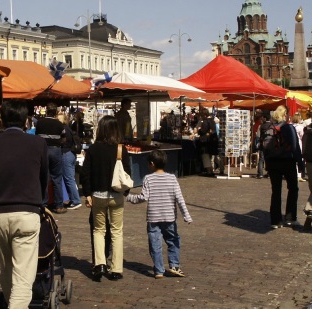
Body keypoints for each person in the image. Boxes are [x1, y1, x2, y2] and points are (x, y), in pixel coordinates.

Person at [0, 100, 48, 308]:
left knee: (7, 268)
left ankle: (12, 302)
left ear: (2, 121)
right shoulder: (37, 144)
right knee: (23, 275)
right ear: (26, 120)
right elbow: (44, 178)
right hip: (27, 211)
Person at [126, 150, 192, 279]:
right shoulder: (172, 178)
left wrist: (129, 197)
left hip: (153, 218)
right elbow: (179, 198)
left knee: (155, 244)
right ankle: (174, 265)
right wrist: (186, 215)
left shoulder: (148, 178)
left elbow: (143, 197)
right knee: (173, 240)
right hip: (169, 218)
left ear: (151, 164)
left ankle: (159, 270)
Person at [81, 115, 131, 282]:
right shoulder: (120, 149)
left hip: (98, 195)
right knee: (117, 232)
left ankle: (100, 263)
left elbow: (85, 173)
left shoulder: (93, 149)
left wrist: (87, 194)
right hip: (116, 195)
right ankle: (116, 268)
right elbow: (128, 173)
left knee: (99, 230)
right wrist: (125, 192)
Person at [264, 105, 303, 229]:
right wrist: (300, 164)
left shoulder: (268, 127)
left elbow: (262, 147)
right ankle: (290, 217)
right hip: (287, 161)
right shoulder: (288, 128)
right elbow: (295, 147)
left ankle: (275, 220)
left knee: (276, 191)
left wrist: (267, 162)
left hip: (272, 162)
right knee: (293, 188)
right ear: (285, 115)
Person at [36, 103, 67, 214]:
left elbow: (37, 136)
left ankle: (43, 204)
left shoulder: (40, 123)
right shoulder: (59, 124)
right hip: (55, 150)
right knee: (57, 178)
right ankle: (59, 205)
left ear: (47, 111)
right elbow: (64, 139)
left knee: (43, 177)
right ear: (55, 113)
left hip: (43, 150)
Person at [58, 113, 82, 210]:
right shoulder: (68, 128)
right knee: (70, 177)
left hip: (66, 153)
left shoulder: (63, 129)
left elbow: (63, 142)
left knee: (68, 178)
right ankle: (73, 199)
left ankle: (76, 200)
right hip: (71, 154)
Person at [194, 108, 216, 176]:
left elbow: (203, 131)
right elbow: (212, 130)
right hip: (211, 141)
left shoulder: (205, 121)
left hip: (205, 141)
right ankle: (210, 170)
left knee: (205, 156)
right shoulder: (212, 120)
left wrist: (199, 130)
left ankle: (209, 170)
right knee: (209, 156)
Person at [255, 110, 272, 179]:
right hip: (271, 145)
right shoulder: (272, 125)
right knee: (269, 159)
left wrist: (257, 143)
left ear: (264, 118)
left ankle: (260, 173)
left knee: (261, 159)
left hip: (263, 144)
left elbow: (258, 136)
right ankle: (269, 173)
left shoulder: (261, 126)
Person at [291, 112, 307, 182]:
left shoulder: (290, 126)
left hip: (291, 145)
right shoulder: (300, 127)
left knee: (292, 160)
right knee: (299, 160)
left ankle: (293, 174)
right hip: (299, 144)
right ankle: (298, 175)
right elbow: (302, 136)